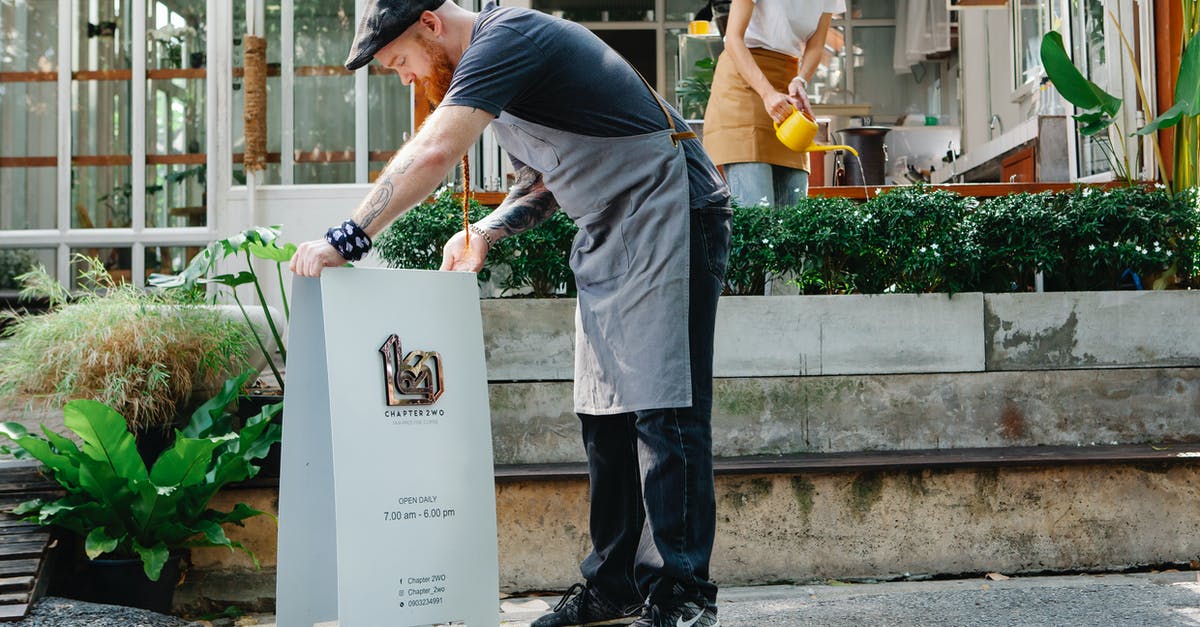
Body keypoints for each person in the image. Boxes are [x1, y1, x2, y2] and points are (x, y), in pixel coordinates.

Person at [287, 1, 732, 625]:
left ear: (431, 25)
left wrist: (350, 235)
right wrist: (488, 234)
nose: (406, 78)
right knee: (605, 415)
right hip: (608, 230)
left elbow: (437, 151)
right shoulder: (492, 64)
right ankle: (614, 585)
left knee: (666, 409)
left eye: (401, 61)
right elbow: (547, 176)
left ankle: (682, 597)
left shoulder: (509, 36)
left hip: (671, 207)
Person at [701, 0, 844, 207]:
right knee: (757, 209)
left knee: (794, 212)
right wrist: (767, 94)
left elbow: (816, 45)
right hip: (744, 83)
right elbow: (733, 40)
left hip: (786, 83)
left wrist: (801, 80)